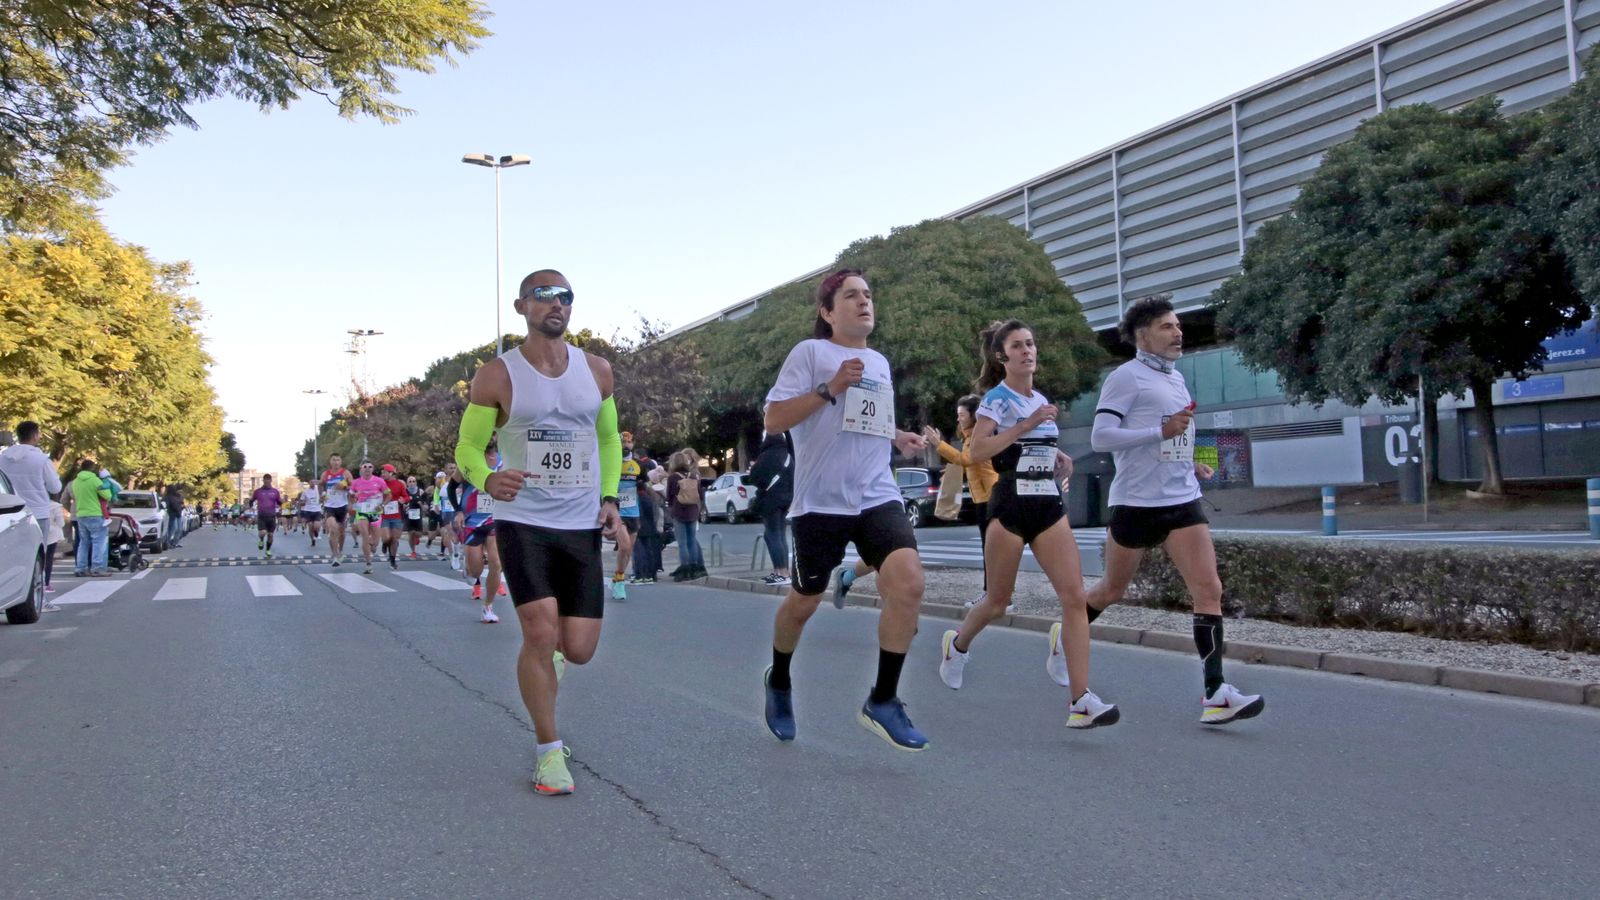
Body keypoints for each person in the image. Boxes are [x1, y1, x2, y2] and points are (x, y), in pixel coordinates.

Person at [454, 267, 624, 796]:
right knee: (538, 630)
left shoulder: (597, 371)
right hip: (523, 521)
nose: (556, 304)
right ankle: (549, 752)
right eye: (544, 295)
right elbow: (466, 448)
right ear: (522, 306)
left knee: (579, 649)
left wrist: (610, 498)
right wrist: (487, 478)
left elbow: (610, 439)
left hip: (580, 523)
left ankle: (547, 660)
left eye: (565, 296)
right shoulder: (497, 376)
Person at [760, 268, 931, 751]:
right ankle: (779, 679)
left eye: (868, 295)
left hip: (876, 493)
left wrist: (897, 436)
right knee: (803, 603)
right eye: (852, 295)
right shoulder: (810, 353)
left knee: (909, 583)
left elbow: (867, 421)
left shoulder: (879, 362)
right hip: (820, 501)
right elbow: (773, 419)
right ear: (827, 312)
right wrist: (829, 387)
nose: (864, 302)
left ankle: (883, 700)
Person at [1085, 295, 1264, 725]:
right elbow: (1101, 437)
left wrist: (1192, 460)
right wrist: (1159, 431)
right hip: (1137, 502)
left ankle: (1216, 692)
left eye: (1178, 325)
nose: (1178, 332)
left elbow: (1177, 432)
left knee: (1209, 589)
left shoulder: (1176, 378)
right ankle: (1068, 633)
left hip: (1181, 499)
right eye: (1167, 326)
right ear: (1142, 336)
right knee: (1111, 590)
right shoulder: (1125, 377)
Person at [933, 320, 1117, 727]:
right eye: (1017, 345)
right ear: (1003, 356)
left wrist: (1059, 458)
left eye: (1031, 343)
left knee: (1074, 598)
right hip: (1011, 505)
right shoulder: (996, 400)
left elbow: (1037, 447)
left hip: (1047, 504)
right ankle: (957, 646)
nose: (1027, 351)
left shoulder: (1040, 398)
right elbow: (979, 451)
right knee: (997, 602)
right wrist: (1025, 425)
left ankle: (1081, 701)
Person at [925, 395, 998, 608]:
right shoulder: (970, 437)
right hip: (983, 496)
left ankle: (993, 595)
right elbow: (972, 464)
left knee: (991, 549)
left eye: (962, 415)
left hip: (990, 496)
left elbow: (967, 459)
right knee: (990, 549)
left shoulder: (977, 436)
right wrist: (952, 471)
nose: (958, 419)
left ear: (974, 416)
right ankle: (994, 594)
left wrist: (939, 444)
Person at [455, 446, 507, 615]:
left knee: (496, 563)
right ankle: (469, 568)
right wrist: (458, 511)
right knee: (475, 572)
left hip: (495, 519)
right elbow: (451, 487)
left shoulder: (504, 459)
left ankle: (488, 606)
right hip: (472, 522)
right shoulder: (469, 460)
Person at [0, 421, 63, 554]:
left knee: (12, 554)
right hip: (38, 513)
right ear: (34, 436)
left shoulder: (3, 459)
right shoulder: (41, 460)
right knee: (37, 555)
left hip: (9, 513)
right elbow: (55, 488)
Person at [748, 431, 794, 586]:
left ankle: (781, 572)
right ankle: (783, 572)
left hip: (771, 500)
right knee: (780, 535)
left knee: (772, 535)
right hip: (787, 500)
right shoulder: (788, 456)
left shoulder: (767, 456)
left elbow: (755, 478)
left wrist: (753, 468)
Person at [665, 451, 704, 581]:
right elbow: (700, 494)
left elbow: (669, 496)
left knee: (682, 543)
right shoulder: (693, 475)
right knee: (691, 540)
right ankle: (694, 568)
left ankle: (685, 568)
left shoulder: (673, 477)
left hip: (679, 512)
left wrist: (672, 507)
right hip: (692, 511)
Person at [68, 458, 112, 577]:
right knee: (99, 542)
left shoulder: (76, 482)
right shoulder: (95, 481)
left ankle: (80, 568)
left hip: (81, 514)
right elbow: (107, 496)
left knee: (83, 543)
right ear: (92, 468)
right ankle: (97, 568)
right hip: (95, 514)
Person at [609, 432, 639, 600]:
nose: (625, 445)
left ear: (633, 444)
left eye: (628, 442)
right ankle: (620, 581)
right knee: (625, 546)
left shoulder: (638, 465)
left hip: (634, 512)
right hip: (617, 512)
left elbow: (648, 483)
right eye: (622, 442)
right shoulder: (611, 462)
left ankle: (616, 577)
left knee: (628, 551)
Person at [348, 461, 389, 574]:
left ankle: (373, 545)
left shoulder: (380, 481)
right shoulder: (356, 482)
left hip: (375, 512)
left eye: (370, 467)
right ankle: (368, 563)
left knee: (375, 541)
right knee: (365, 536)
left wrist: (382, 505)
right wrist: (352, 502)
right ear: (361, 469)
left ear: (373, 469)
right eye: (365, 467)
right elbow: (350, 495)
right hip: (362, 512)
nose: (367, 468)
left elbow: (388, 495)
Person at [630, 459, 663, 584]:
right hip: (648, 512)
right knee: (648, 543)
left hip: (637, 510)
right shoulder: (648, 487)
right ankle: (650, 574)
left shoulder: (631, 486)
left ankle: (640, 574)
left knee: (638, 544)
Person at [320, 454, 354, 565]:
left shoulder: (345, 473)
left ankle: (340, 550)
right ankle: (335, 555)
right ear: (330, 462)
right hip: (329, 506)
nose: (336, 462)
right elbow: (322, 486)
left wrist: (344, 487)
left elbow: (354, 487)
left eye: (338, 460)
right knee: (333, 529)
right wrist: (322, 494)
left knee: (341, 532)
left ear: (341, 461)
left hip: (342, 505)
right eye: (333, 460)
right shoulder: (325, 474)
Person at [378, 464, 410, 570]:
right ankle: (385, 543)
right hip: (384, 515)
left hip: (396, 516)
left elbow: (406, 496)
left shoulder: (399, 484)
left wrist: (403, 500)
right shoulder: (380, 483)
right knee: (387, 537)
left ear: (391, 473)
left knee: (394, 539)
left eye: (385, 472)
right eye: (382, 472)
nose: (383, 474)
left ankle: (392, 560)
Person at [252, 474, 284, 559]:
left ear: (271, 481)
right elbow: (252, 500)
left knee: (270, 535)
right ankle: (261, 540)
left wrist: (281, 502)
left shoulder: (275, 491)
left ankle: (268, 550)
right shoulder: (258, 491)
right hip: (262, 515)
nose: (266, 482)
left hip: (272, 516)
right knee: (263, 532)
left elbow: (279, 502)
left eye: (268, 480)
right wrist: (250, 506)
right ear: (263, 481)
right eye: (265, 480)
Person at [402, 473, 426, 561]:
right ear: (407, 483)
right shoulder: (404, 492)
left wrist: (421, 505)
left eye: (413, 481)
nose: (412, 483)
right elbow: (402, 504)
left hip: (418, 515)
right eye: (410, 481)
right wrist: (404, 506)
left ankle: (417, 537)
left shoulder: (421, 492)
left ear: (416, 482)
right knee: (411, 533)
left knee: (419, 534)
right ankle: (413, 551)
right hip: (409, 516)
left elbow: (425, 506)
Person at [298, 478, 324, 547]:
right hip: (308, 510)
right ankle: (313, 540)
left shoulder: (318, 489)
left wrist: (322, 499)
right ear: (309, 483)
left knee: (316, 525)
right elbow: (301, 501)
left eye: (314, 482)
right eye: (311, 482)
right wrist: (303, 503)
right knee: (310, 526)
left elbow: (322, 487)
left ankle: (316, 532)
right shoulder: (305, 491)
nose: (313, 483)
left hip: (317, 510)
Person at [161, 482, 185, 549]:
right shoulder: (167, 497)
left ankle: (174, 543)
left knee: (179, 529)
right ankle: (169, 543)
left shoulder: (178, 496)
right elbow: (165, 505)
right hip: (172, 515)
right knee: (173, 529)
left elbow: (181, 503)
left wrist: (182, 506)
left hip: (178, 514)